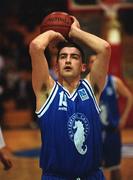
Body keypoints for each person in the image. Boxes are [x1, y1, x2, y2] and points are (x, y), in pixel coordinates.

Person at [29, 15, 111, 179]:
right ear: (56, 67)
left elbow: (105, 48)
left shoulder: (92, 88)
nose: (68, 60)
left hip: (92, 175)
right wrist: (54, 33)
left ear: (83, 67)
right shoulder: (46, 92)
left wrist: (75, 33)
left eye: (74, 57)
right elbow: (36, 46)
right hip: (56, 176)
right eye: (63, 56)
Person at [87, 55, 133, 180]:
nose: (95, 63)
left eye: (97, 60)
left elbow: (130, 97)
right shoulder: (85, 85)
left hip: (111, 132)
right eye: (91, 61)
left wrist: (123, 119)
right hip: (93, 133)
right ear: (87, 66)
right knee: (92, 170)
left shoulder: (114, 82)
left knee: (115, 167)